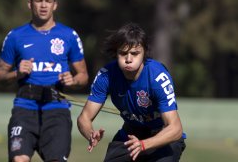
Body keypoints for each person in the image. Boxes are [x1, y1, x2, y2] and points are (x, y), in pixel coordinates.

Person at [0, 0, 88, 162]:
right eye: (39, 1)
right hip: (24, 108)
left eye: (48, 1)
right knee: (18, 159)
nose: (43, 5)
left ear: (55, 5)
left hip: (56, 110)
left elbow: (83, 76)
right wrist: (16, 73)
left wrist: (73, 80)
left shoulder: (68, 35)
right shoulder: (15, 36)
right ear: (30, 4)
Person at [77, 22, 186, 162]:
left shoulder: (157, 77)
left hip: (162, 136)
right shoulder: (106, 75)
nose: (128, 59)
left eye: (134, 53)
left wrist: (143, 144)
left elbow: (175, 129)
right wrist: (90, 134)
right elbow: (84, 118)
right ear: (116, 53)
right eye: (123, 53)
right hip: (130, 134)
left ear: (144, 53)